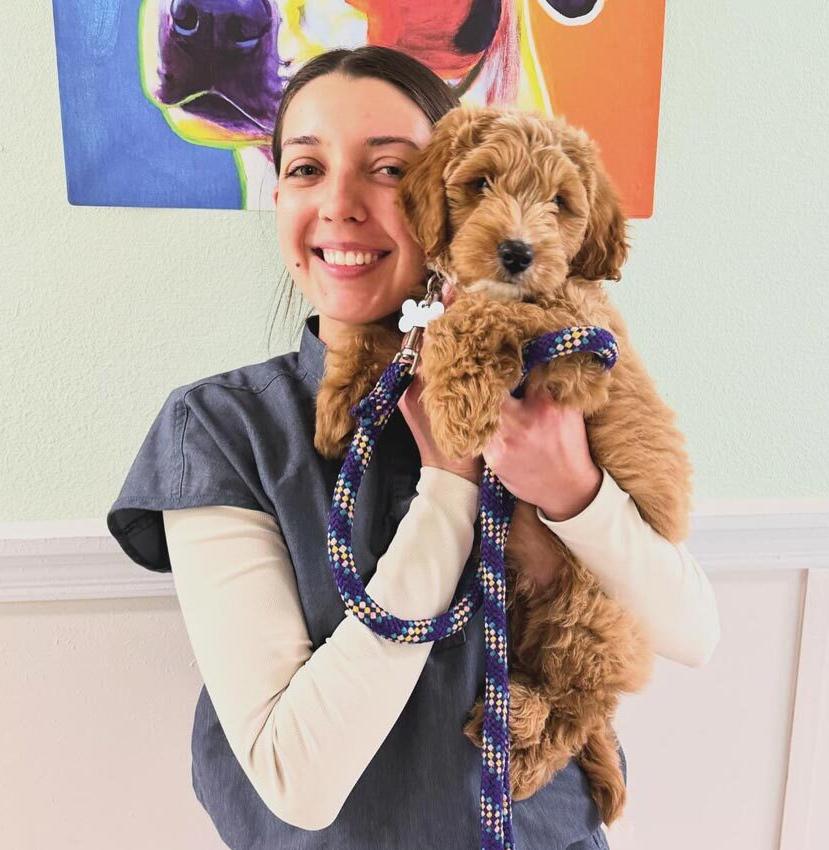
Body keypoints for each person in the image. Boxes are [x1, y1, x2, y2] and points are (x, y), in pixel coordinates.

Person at [107, 46, 721, 850]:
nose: (340, 204)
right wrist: (449, 488)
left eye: (389, 170)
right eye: (304, 168)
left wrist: (573, 489)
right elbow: (299, 779)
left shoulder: (553, 383)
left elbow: (693, 633)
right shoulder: (224, 431)